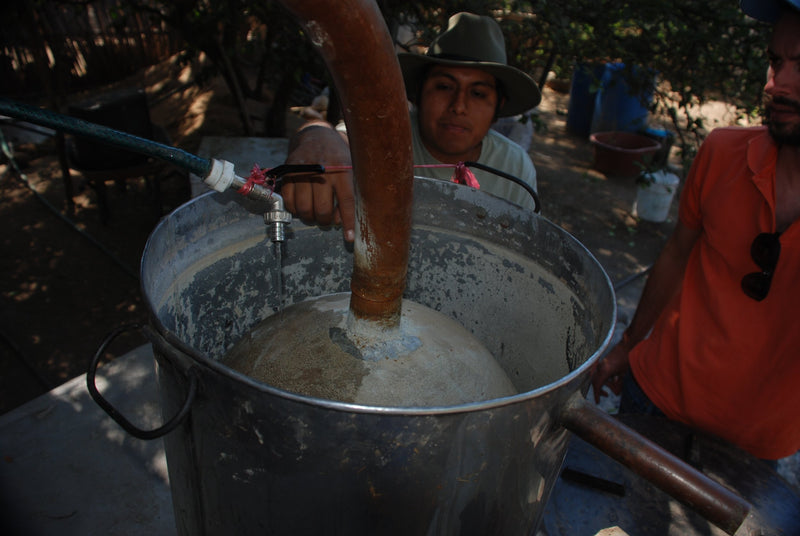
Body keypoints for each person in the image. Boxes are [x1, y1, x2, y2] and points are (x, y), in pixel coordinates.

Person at [591, 0, 800, 463]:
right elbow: (676, 254)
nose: (775, 84)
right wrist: (629, 345)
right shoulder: (724, 153)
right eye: (775, 62)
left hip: (755, 450)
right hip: (656, 397)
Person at [280, 12, 541, 242]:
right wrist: (315, 134)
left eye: (478, 94)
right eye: (444, 87)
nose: (459, 106)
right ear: (417, 94)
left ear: (498, 108)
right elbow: (335, 142)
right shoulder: (389, 139)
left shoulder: (515, 168)